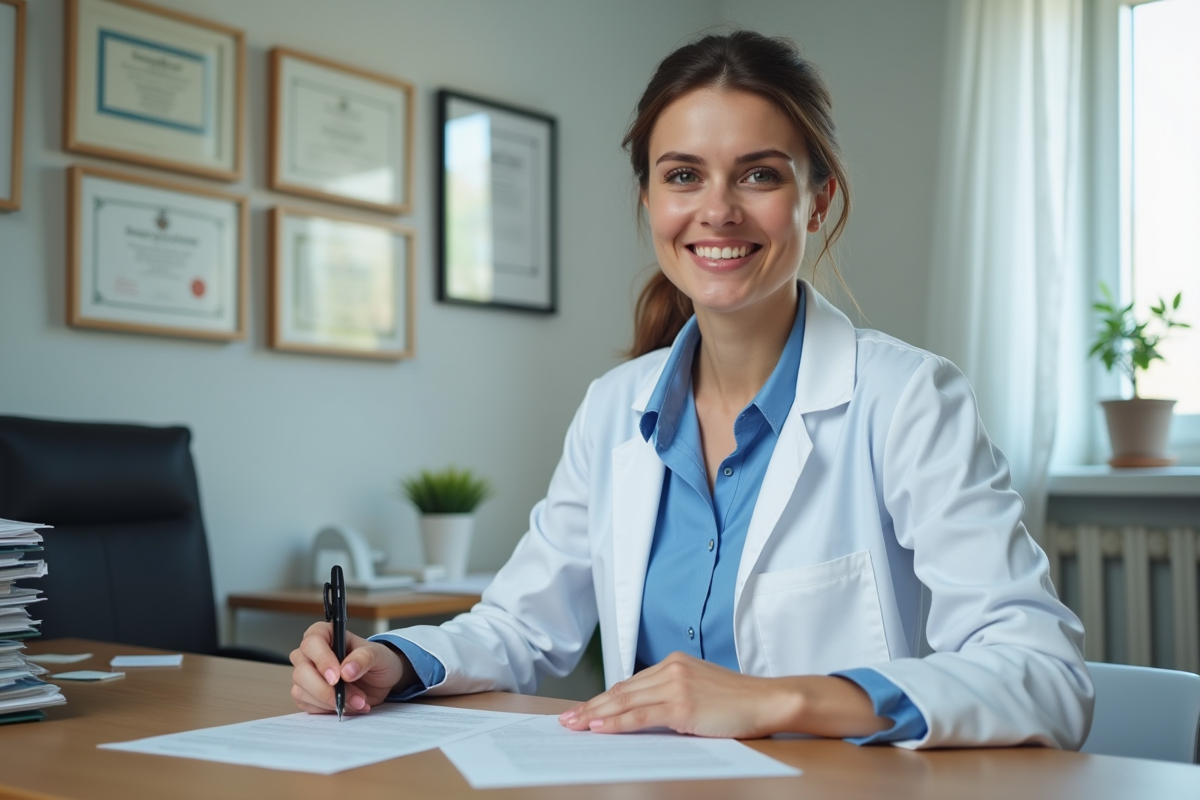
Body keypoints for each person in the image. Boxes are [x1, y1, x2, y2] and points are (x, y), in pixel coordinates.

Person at [290, 30, 1092, 749]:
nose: (717, 209)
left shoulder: (909, 398)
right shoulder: (616, 406)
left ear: (818, 199)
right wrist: (391, 659)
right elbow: (521, 627)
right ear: (649, 200)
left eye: (758, 175)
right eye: (683, 175)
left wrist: (773, 701)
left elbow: (1044, 675)